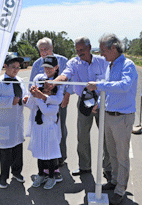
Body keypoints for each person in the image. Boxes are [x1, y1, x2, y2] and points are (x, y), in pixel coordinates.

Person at [87, 33, 138, 205]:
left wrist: (99, 86)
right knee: (112, 153)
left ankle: (120, 190)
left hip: (122, 118)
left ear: (113, 49)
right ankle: (115, 181)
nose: (101, 55)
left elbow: (124, 86)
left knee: (122, 156)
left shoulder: (127, 65)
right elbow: (108, 90)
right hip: (108, 116)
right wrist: (100, 103)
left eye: (103, 51)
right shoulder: (110, 65)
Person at [51, 36, 111, 179]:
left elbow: (109, 82)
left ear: (90, 48)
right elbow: (66, 75)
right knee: (82, 136)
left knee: (106, 137)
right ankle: (85, 167)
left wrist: (100, 101)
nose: (79, 53)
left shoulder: (102, 62)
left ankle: (108, 168)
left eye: (82, 50)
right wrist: (53, 82)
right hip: (84, 103)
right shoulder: (74, 63)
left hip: (103, 102)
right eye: (77, 50)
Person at [29, 37, 72, 181]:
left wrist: (67, 95)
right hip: (41, 105)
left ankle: (59, 160)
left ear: (52, 47)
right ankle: (44, 165)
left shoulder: (63, 60)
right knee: (43, 133)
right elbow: (32, 83)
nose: (44, 52)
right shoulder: (37, 64)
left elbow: (70, 79)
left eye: (47, 48)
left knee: (59, 131)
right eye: (41, 49)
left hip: (58, 101)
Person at [0, 54, 29, 189]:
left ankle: (17, 173)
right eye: (13, 67)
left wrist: (25, 99)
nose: (16, 70)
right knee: (5, 152)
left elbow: (25, 94)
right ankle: (3, 177)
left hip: (17, 122)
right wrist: (9, 101)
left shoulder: (20, 80)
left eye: (18, 67)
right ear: (5, 66)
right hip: (5, 122)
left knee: (18, 149)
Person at [26, 57, 62, 189]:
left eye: (50, 67)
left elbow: (49, 108)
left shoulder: (59, 85)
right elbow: (31, 105)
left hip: (49, 127)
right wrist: (29, 98)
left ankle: (52, 177)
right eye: (45, 67)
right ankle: (41, 175)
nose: (47, 70)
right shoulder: (39, 78)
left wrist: (40, 98)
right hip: (38, 126)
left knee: (51, 153)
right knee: (40, 152)